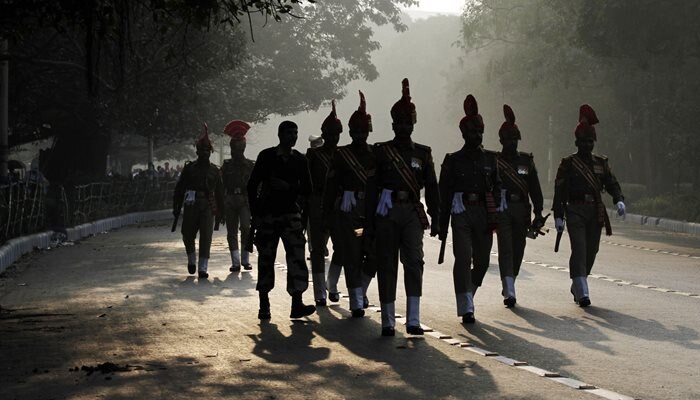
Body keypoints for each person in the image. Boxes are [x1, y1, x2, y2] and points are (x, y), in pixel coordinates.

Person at [368, 78, 440, 336]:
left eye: (407, 123)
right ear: (393, 125)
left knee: (414, 263)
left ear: (413, 124)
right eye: (399, 123)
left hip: (411, 211)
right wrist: (369, 221)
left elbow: (431, 186)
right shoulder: (382, 151)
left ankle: (413, 319)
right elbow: (371, 188)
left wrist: (437, 216)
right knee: (387, 264)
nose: (403, 127)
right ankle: (388, 320)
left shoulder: (423, 153)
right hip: (386, 211)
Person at [552, 104, 625, 307]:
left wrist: (619, 199)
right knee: (579, 248)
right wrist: (558, 215)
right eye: (583, 142)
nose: (587, 145)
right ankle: (582, 290)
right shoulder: (568, 164)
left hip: (595, 211)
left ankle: (579, 282)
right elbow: (559, 192)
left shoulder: (601, 163)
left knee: (591, 251)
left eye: (590, 142)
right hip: (575, 210)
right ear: (577, 142)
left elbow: (611, 183)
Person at [438, 94, 501, 324]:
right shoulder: (453, 160)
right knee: (463, 257)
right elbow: (444, 194)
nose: (477, 136)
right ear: (464, 134)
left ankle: (469, 295)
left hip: (484, 212)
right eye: (473, 132)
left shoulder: (491, 159)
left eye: (480, 132)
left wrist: (498, 209)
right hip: (461, 210)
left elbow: (497, 185)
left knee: (482, 261)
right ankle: (465, 305)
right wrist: (440, 222)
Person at [247, 120, 316, 320]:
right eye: (289, 133)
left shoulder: (300, 160)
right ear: (280, 135)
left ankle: (297, 303)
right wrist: (256, 214)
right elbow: (252, 186)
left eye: (295, 133)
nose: (293, 137)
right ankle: (264, 304)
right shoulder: (266, 157)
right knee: (266, 259)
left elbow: (308, 190)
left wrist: (288, 188)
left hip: (290, 214)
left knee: (297, 259)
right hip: (268, 215)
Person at [323, 91, 376, 317]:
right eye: (356, 131)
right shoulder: (341, 155)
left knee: (373, 253)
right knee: (351, 253)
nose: (360, 135)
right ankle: (356, 300)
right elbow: (331, 186)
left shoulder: (377, 153)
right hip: (349, 212)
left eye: (363, 131)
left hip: (372, 211)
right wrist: (328, 214)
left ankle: (362, 290)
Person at [494, 105, 544, 308]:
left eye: (515, 139)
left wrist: (539, 213)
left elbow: (535, 189)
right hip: (503, 209)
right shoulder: (495, 162)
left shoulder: (527, 161)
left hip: (522, 210)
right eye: (509, 139)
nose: (512, 143)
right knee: (505, 248)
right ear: (501, 141)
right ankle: (510, 291)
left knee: (518, 249)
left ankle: (510, 280)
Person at [173, 124, 225, 279]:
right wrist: (176, 206)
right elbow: (180, 188)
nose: (204, 153)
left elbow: (220, 193)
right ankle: (191, 259)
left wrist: (221, 212)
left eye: (206, 150)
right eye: (201, 150)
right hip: (191, 205)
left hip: (208, 205)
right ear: (197, 151)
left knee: (206, 236)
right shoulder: (189, 169)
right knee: (187, 234)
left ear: (210, 152)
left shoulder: (215, 171)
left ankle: (203, 267)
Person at [306, 102, 343, 306]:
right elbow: (305, 181)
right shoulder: (314, 156)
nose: (333, 137)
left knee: (343, 247)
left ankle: (333, 283)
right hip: (317, 204)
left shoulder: (344, 155)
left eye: (336, 134)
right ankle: (319, 291)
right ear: (324, 134)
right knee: (318, 250)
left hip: (339, 205)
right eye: (330, 133)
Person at [221, 120, 255, 273]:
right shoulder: (226, 166)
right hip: (229, 199)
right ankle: (235, 262)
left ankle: (245, 259)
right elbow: (221, 186)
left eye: (240, 146)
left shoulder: (250, 165)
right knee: (231, 231)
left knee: (246, 228)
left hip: (244, 199)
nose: (238, 150)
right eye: (236, 147)